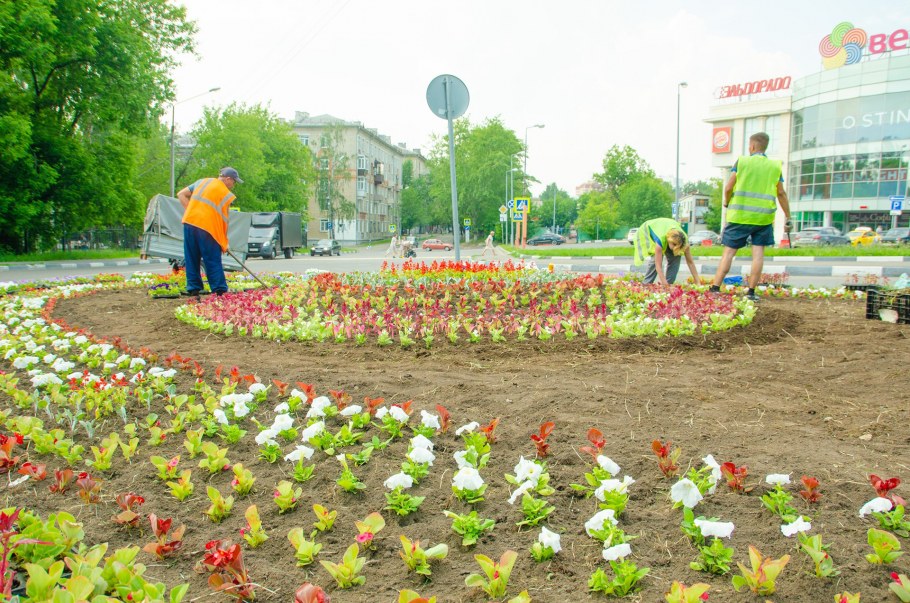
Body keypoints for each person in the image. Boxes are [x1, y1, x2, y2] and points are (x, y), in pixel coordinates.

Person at [709, 132, 791, 301]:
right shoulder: (775, 166)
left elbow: (728, 187)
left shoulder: (742, 162)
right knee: (758, 254)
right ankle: (751, 292)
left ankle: (715, 288)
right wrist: (788, 217)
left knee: (729, 252)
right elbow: (781, 193)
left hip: (740, 216)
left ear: (752, 146)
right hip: (763, 218)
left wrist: (726, 202)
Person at [177, 167, 242, 297]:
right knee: (212, 258)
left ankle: (193, 289)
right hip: (208, 228)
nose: (233, 185)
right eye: (234, 181)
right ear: (228, 179)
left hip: (190, 222)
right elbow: (224, 220)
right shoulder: (225, 193)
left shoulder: (202, 181)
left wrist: (191, 211)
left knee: (191, 257)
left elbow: (181, 194)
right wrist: (224, 242)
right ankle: (219, 290)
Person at [633, 217, 700, 285]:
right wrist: (665, 285)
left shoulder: (684, 241)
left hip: (668, 227)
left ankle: (669, 283)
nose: (675, 248)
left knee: (676, 256)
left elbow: (690, 262)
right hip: (649, 229)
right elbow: (658, 266)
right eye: (674, 245)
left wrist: (697, 282)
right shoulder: (660, 239)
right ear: (669, 240)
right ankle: (646, 284)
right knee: (654, 261)